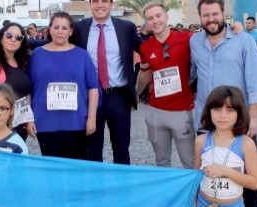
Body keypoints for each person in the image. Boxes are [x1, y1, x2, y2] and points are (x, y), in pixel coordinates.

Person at [190, 1, 257, 207]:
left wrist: (253, 115)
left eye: (215, 13)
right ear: (200, 17)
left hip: (237, 120)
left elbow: (255, 80)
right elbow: (192, 74)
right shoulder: (194, 41)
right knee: (206, 168)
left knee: (244, 168)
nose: (211, 19)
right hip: (206, 119)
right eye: (205, 15)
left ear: (224, 14)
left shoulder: (244, 40)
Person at [71, 0, 141, 165]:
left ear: (112, 4)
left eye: (104, 1)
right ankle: (96, 188)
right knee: (92, 148)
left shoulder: (126, 27)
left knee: (122, 148)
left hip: (119, 96)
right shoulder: (79, 28)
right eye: (95, 1)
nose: (100, 5)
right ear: (89, 4)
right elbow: (59, 44)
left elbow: (146, 48)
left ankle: (122, 187)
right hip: (90, 97)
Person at [28, 12, 99, 160]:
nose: (60, 31)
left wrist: (92, 118)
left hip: (76, 123)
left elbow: (93, 88)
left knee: (77, 171)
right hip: (45, 123)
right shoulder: (37, 55)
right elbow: (29, 89)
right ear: (50, 29)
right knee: (51, 172)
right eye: (56, 27)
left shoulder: (82, 56)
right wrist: (28, 118)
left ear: (71, 31)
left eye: (65, 28)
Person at [137, 1, 195, 169]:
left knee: (190, 162)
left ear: (166, 16)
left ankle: (194, 196)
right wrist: (135, 93)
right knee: (162, 163)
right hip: (156, 112)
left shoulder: (186, 39)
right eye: (150, 18)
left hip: (182, 111)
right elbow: (145, 74)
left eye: (158, 16)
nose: (155, 21)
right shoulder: (146, 47)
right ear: (146, 22)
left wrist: (234, 30)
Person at [192, 86, 257, 207]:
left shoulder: (246, 144)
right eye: (217, 109)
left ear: (239, 113)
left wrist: (225, 171)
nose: (223, 115)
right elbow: (195, 178)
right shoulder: (201, 141)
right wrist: (192, 206)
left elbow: (254, 183)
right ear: (209, 111)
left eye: (230, 110)